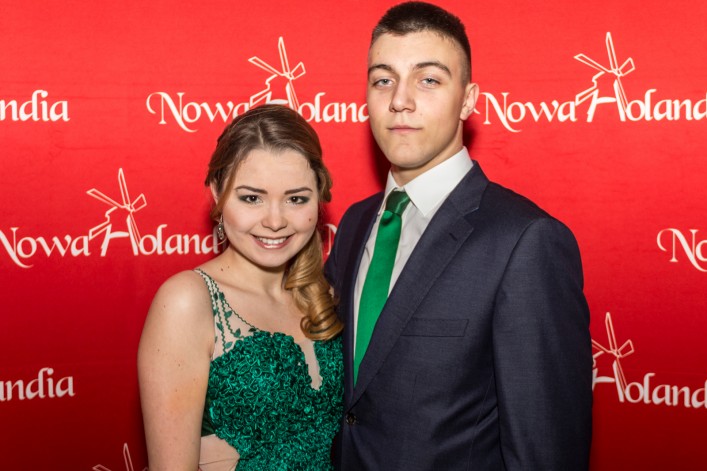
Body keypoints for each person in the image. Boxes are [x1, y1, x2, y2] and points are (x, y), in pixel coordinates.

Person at [324, 2, 593, 470]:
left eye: (428, 79)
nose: (400, 100)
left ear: (468, 100)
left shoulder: (525, 242)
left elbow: (545, 450)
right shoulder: (354, 224)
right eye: (383, 80)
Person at [138, 104, 344, 471]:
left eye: (296, 199)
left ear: (319, 197)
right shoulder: (188, 301)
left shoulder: (324, 294)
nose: (275, 221)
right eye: (252, 198)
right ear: (218, 193)